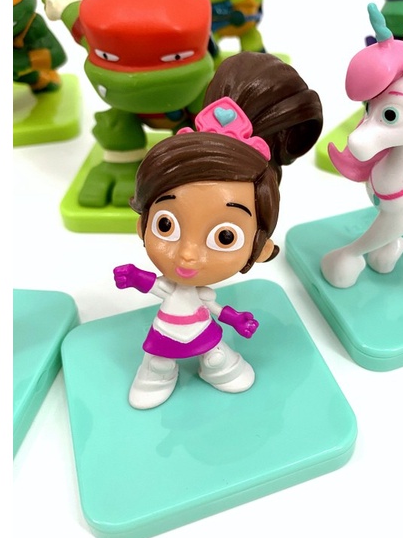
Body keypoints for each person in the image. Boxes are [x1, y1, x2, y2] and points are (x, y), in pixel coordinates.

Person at [114, 52, 322, 408]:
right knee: (158, 360)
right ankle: (157, 373)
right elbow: (152, 284)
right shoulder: (173, 284)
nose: (187, 254)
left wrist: (236, 319)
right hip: (166, 330)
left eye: (225, 237)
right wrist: (133, 276)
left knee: (215, 354)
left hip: (201, 329)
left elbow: (216, 308)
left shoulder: (200, 288)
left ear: (260, 248)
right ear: (141, 224)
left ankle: (219, 368)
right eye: (166, 225)